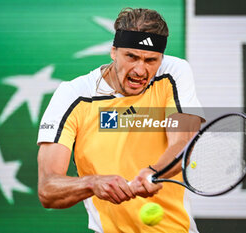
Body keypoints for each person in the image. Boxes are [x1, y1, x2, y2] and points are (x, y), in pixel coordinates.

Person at [37, 8, 204, 233]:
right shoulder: (72, 95)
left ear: (161, 58)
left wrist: (153, 172)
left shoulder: (174, 73)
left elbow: (184, 142)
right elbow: (48, 189)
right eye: (131, 56)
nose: (140, 70)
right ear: (113, 52)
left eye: (151, 60)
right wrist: (92, 183)